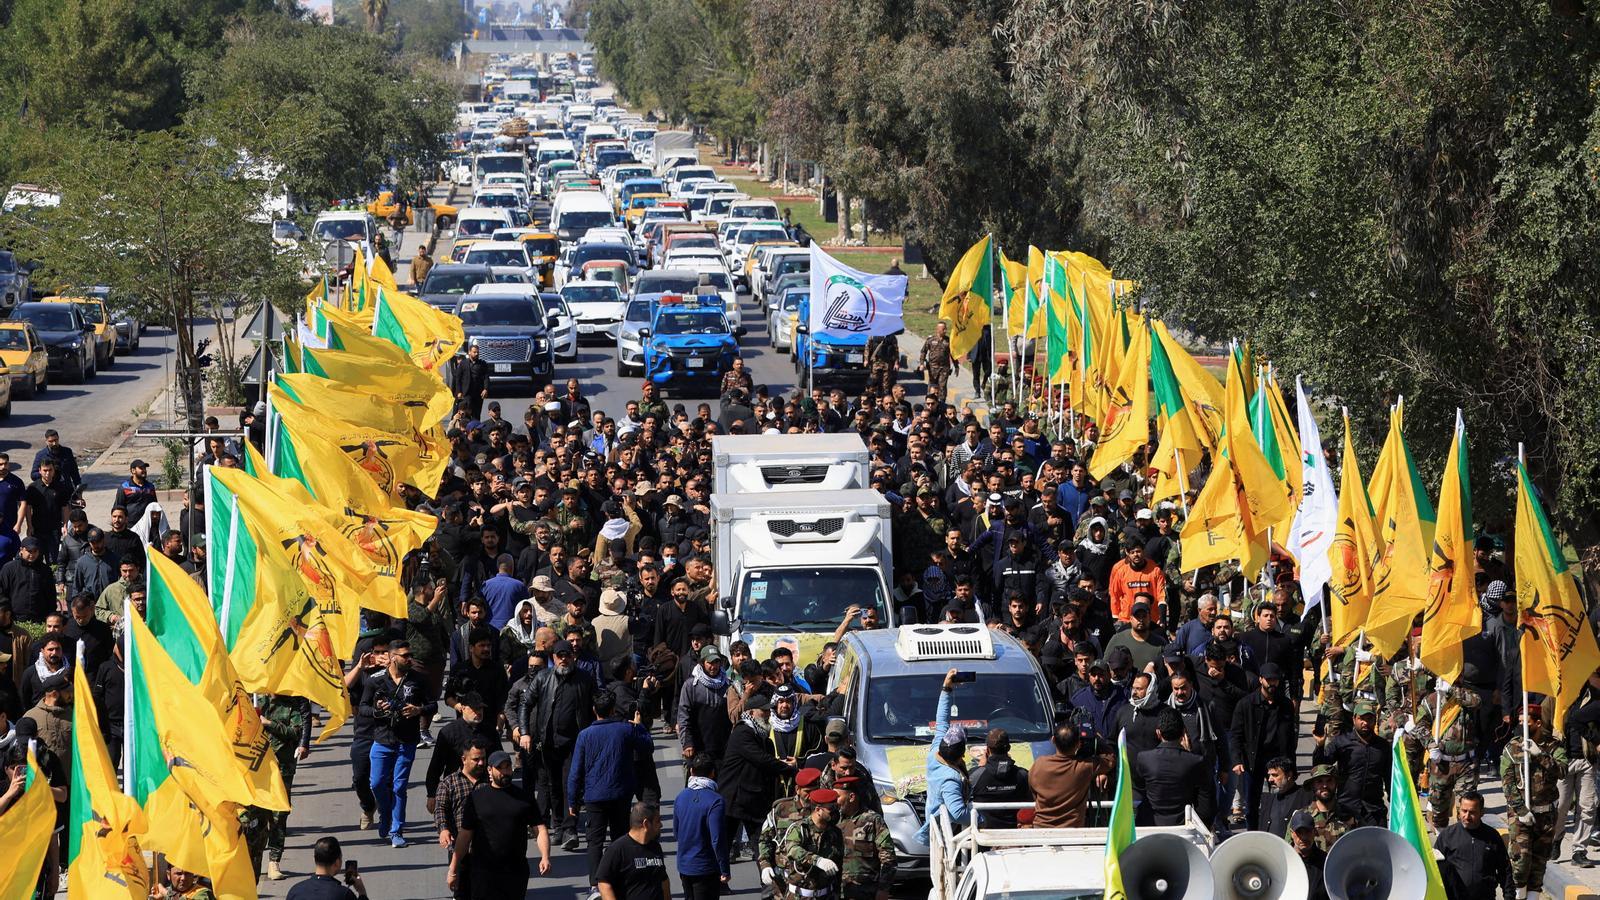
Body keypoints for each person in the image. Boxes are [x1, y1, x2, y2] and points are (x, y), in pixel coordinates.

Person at [569, 690, 655, 889]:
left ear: (594, 710)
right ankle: (619, 879)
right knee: (620, 838)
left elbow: (576, 771)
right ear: (613, 709)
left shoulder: (584, 735)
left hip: (594, 795)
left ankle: (595, 884)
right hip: (620, 793)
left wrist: (573, 801)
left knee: (594, 842)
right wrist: (639, 726)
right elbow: (647, 746)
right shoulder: (626, 729)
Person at [357, 637, 435, 848]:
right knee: (377, 783)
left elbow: (433, 705)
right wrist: (376, 711)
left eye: (410, 655)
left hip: (407, 740)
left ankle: (396, 830)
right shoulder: (376, 680)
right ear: (392, 658)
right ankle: (385, 813)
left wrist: (418, 710)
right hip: (382, 738)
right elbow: (362, 708)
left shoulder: (417, 679)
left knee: (400, 786)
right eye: (405, 655)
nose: (409, 658)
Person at [517, 638, 594, 851]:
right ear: (553, 658)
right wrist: (524, 732)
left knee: (571, 784)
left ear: (573, 657)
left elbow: (596, 704)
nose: (563, 660)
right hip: (547, 742)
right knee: (552, 785)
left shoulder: (585, 679)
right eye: (559, 656)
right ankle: (558, 825)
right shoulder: (543, 678)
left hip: (575, 743)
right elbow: (525, 703)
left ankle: (570, 828)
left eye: (567, 655)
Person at [451, 750, 549, 900]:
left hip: (515, 871)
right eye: (500, 768)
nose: (505, 772)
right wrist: (454, 867)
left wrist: (545, 856)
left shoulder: (524, 798)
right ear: (490, 770)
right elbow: (465, 835)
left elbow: (540, 829)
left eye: (507, 767)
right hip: (483, 871)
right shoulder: (477, 798)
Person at [719, 693, 798, 861]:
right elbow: (762, 760)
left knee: (761, 843)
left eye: (769, 712)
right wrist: (788, 768)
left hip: (752, 799)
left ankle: (767, 884)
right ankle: (718, 883)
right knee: (724, 845)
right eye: (764, 712)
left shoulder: (762, 736)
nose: (768, 715)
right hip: (734, 798)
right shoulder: (743, 732)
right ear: (751, 712)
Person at [1501, 702, 1565, 899]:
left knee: (1538, 864)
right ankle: (1518, 895)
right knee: (1520, 862)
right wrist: (1521, 810)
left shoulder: (1553, 746)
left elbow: (1562, 771)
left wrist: (1540, 756)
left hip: (1546, 815)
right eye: (1519, 722)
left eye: (1525, 722)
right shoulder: (1512, 747)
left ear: (1537, 723)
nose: (1521, 725)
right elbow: (1507, 782)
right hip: (1521, 815)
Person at [1227, 661, 1298, 829]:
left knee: (1281, 798)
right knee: (1252, 802)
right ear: (1260, 680)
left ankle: (1278, 831)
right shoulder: (1245, 704)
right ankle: (1253, 833)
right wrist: (1237, 760)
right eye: (1268, 679)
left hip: (1278, 760)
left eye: (1275, 680)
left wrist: (1291, 765)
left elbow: (1290, 738)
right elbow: (1236, 735)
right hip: (1254, 761)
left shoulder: (1286, 705)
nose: (1272, 683)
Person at [915, 669, 973, 844]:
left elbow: (942, 721)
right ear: (962, 754)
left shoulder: (936, 753)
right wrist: (982, 818)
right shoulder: (950, 778)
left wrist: (946, 689)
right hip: (948, 837)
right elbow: (957, 813)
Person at [261, 693, 312, 881]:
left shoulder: (291, 703)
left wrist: (268, 724)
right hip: (257, 766)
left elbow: (296, 732)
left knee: (279, 813)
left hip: (282, 766)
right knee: (256, 815)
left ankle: (274, 860)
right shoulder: (256, 700)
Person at [1132, 710, 1214, 826]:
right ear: (1183, 733)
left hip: (1151, 827)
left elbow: (1139, 790)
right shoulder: (1196, 761)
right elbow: (1206, 805)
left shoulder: (1144, 759)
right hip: (1184, 828)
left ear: (1158, 733)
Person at [434, 737, 491, 900]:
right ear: (464, 759)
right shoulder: (449, 783)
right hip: (460, 850)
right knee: (461, 892)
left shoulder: (491, 782)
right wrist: (443, 829)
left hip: (487, 849)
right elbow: (440, 809)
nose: (481, 763)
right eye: (476, 759)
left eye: (483, 759)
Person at [1030, 721, 1111, 828]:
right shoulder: (1085, 767)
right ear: (1078, 744)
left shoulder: (1039, 765)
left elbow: (1034, 793)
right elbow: (1110, 759)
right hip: (1072, 830)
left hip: (1041, 828)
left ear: (1053, 740)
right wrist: (1095, 736)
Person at [1434, 790, 1509, 900]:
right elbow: (1434, 868)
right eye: (1464, 811)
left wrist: (1509, 896)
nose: (1467, 816)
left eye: (1472, 812)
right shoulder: (1447, 836)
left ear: (1482, 812)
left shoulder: (1492, 837)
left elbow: (1505, 871)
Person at [675, 753, 730, 900]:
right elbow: (717, 839)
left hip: (684, 866)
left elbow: (677, 832)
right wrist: (724, 869)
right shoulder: (716, 801)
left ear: (692, 771)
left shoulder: (681, 796)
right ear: (713, 773)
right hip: (706, 868)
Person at [759, 767, 821, 895]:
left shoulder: (822, 810)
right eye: (807, 791)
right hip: (785, 881)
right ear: (797, 790)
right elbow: (765, 840)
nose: (810, 796)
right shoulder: (781, 809)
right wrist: (765, 865)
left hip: (815, 879)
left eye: (815, 791)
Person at [834, 776, 895, 900]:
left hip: (865, 893)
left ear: (851, 797)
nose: (834, 801)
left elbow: (888, 858)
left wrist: (883, 889)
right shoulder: (833, 821)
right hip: (836, 892)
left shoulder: (872, 820)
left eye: (837, 797)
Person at [594, 801, 670, 900]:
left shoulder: (655, 847)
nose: (661, 825)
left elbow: (663, 880)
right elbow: (604, 883)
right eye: (658, 821)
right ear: (646, 824)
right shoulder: (617, 849)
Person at [778, 788, 845, 899]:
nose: (835, 812)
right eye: (831, 808)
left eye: (836, 807)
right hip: (800, 895)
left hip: (826, 895)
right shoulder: (800, 828)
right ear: (818, 810)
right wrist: (817, 860)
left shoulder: (834, 833)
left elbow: (838, 865)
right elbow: (793, 850)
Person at [968, 728, 1032, 827]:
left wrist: (980, 769)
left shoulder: (975, 775)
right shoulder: (1023, 775)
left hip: (983, 835)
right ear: (1009, 748)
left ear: (988, 750)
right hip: (1014, 834)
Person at [1287, 765, 1357, 851]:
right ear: (1313, 786)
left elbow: (1363, 846)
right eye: (1319, 781)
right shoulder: (1300, 816)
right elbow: (1288, 851)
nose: (1324, 786)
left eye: (1329, 781)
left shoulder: (1351, 816)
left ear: (1336, 784)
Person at [284, 836, 368, 900]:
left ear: (315, 859)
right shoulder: (343, 894)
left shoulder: (295, 891)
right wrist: (362, 892)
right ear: (337, 862)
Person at [1255, 757, 1305, 840]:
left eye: (1275, 775)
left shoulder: (1305, 796)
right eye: (1269, 775)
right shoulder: (1267, 798)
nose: (1270, 779)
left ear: (1289, 775)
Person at [1287, 811, 1330, 900]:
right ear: (1291, 833)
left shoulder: (1326, 862)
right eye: (1299, 832)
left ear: (1314, 832)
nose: (1304, 837)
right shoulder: (1283, 861)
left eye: (1307, 832)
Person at [450, 345, 491, 420]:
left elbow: (486, 377)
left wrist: (485, 389)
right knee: (467, 412)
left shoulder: (482, 364)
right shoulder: (463, 363)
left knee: (477, 413)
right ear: (469, 352)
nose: (476, 354)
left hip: (478, 393)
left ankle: (476, 429)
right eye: (474, 352)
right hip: (466, 393)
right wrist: (458, 391)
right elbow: (458, 378)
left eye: (478, 352)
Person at [918, 322, 956, 401]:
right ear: (938, 329)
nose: (945, 331)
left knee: (942, 386)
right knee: (932, 386)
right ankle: (930, 402)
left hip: (944, 368)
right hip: (932, 367)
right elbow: (923, 351)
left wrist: (956, 366)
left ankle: (942, 403)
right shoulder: (931, 340)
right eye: (943, 329)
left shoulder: (948, 341)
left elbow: (953, 354)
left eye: (945, 329)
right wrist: (921, 363)